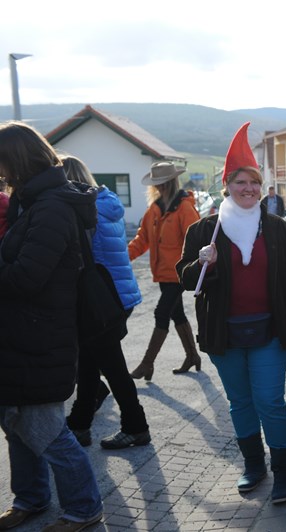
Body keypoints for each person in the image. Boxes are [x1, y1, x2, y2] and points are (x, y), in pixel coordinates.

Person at [177, 123, 286, 502]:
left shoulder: (278, 230)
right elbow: (188, 280)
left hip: (271, 332)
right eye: (241, 183)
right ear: (227, 187)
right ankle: (253, 464)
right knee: (241, 402)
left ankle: (284, 471)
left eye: (254, 183)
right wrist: (205, 262)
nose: (249, 189)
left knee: (270, 400)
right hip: (224, 334)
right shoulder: (203, 230)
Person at [0, 121, 103, 532]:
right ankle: (31, 498)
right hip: (20, 334)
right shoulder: (32, 201)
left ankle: (83, 508)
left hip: (40, 336)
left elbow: (27, 277)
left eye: (3, 165)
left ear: (19, 161)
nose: (1, 175)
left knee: (45, 429)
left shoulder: (53, 207)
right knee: (15, 424)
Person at [61, 155, 151, 450]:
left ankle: (135, 427)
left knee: (111, 366)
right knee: (90, 362)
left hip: (99, 298)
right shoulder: (106, 202)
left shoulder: (83, 209)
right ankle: (79, 424)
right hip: (115, 295)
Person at [127, 161, 201, 380]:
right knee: (176, 313)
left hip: (178, 273)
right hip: (163, 274)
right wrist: (122, 258)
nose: (158, 187)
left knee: (161, 313)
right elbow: (142, 240)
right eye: (156, 183)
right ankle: (192, 356)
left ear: (170, 182)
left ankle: (147, 364)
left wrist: (194, 269)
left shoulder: (185, 208)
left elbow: (196, 239)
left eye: (162, 183)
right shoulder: (155, 209)